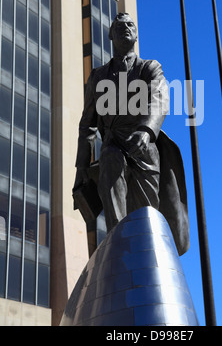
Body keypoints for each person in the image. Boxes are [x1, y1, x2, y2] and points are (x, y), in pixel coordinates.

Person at [73, 13, 189, 255]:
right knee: (110, 160)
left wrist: (146, 131)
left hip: (144, 148)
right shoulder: (98, 76)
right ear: (111, 35)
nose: (126, 28)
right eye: (120, 26)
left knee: (146, 213)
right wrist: (82, 167)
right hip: (113, 144)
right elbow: (88, 125)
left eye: (130, 25)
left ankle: (147, 256)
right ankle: (119, 246)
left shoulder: (149, 68)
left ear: (136, 35)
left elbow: (159, 99)